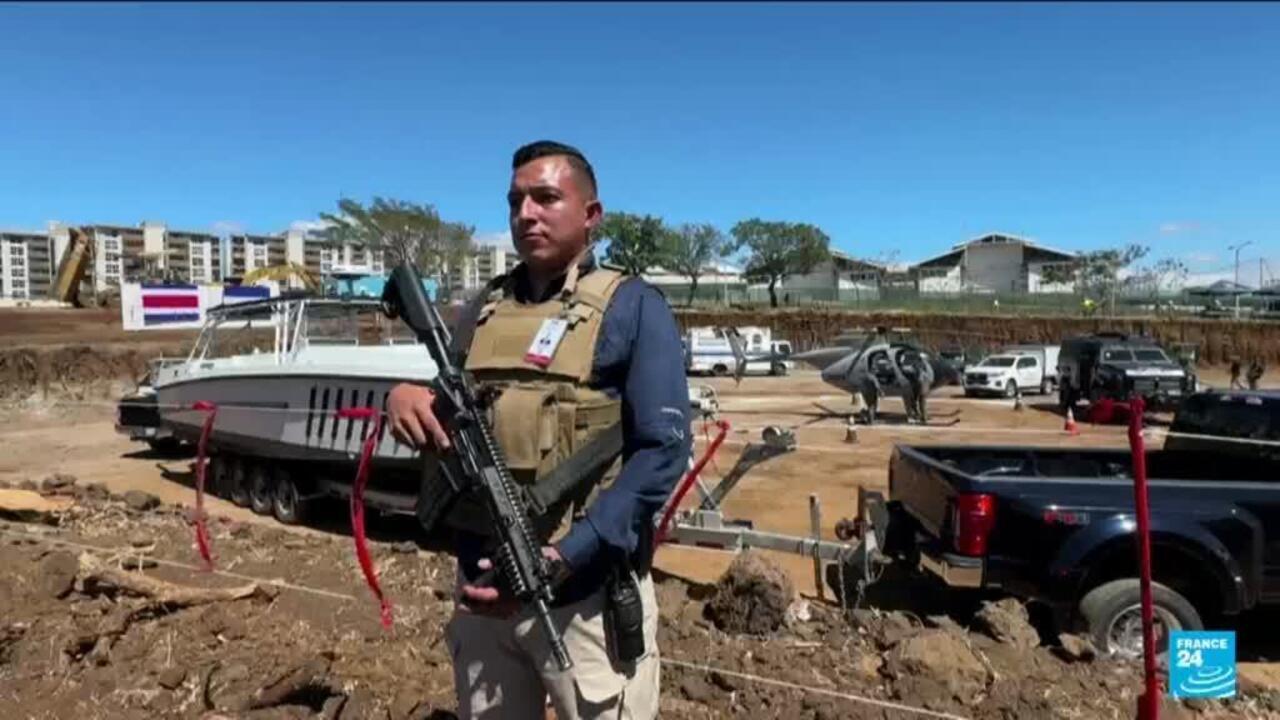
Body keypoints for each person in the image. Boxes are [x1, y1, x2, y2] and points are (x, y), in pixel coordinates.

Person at [386, 141, 691, 720]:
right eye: (515, 201)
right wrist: (405, 399)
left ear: (591, 214)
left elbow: (662, 452)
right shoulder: (484, 307)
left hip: (585, 604)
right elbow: (452, 404)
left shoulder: (633, 307)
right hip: (483, 597)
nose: (525, 214)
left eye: (546, 198)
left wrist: (565, 556)